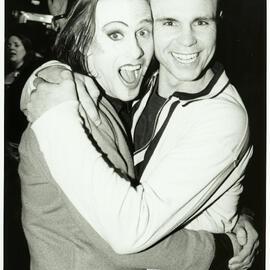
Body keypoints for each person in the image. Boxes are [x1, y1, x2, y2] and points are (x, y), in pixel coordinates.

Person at [20, 0, 259, 269]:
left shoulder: (220, 116)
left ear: (219, 23)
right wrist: (48, 77)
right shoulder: (140, 86)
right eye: (169, 22)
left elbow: (128, 230)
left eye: (201, 22)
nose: (187, 41)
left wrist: (54, 110)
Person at [4, 31, 45, 270]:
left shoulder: (31, 71)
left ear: (26, 46)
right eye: (8, 44)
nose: (11, 47)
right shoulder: (6, 73)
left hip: (20, 146)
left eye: (16, 43)